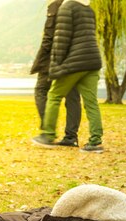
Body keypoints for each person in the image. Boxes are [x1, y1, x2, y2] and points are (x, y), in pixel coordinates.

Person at [32, 0, 104, 153]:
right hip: (93, 61)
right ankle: (95, 142)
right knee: (91, 102)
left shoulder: (67, 7)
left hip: (75, 62)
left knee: (54, 95)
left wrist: (56, 65)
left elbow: (61, 39)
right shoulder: (89, 10)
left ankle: (48, 135)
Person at [30, 0, 81, 147]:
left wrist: (41, 60)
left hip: (54, 58)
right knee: (72, 97)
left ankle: (48, 132)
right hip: (75, 58)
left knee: (41, 90)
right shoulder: (80, 6)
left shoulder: (55, 6)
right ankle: (71, 137)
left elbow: (48, 37)